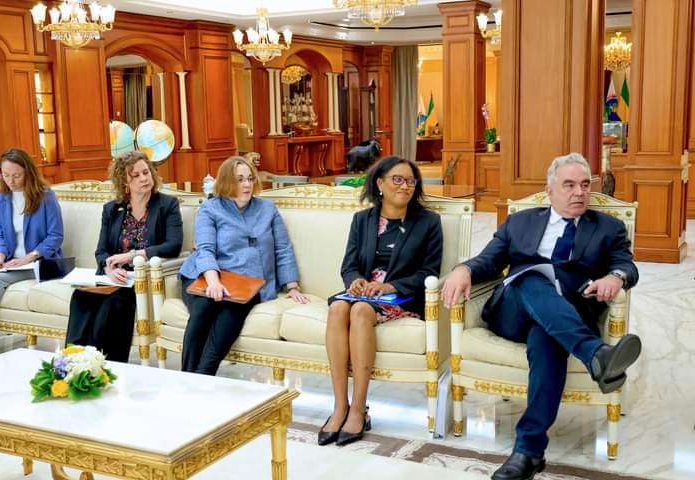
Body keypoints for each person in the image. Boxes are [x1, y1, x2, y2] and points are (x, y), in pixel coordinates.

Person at [441, 153, 641, 480]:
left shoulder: (609, 228)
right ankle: (595, 353)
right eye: (569, 185)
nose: (579, 192)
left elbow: (626, 264)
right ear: (550, 191)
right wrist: (463, 269)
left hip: (564, 317)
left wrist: (615, 277)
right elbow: (489, 260)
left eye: (585, 185)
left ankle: (528, 452)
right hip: (513, 313)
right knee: (531, 276)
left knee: (547, 339)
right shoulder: (519, 222)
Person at [319, 156, 443, 447]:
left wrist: (390, 285)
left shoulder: (428, 222)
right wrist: (355, 281)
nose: (405, 186)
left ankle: (359, 409)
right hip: (364, 292)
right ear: (380, 184)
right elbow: (349, 265)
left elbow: (429, 272)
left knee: (360, 311)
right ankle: (340, 406)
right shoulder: (362, 220)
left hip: (402, 296)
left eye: (410, 181)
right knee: (337, 308)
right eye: (397, 179)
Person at [179, 156, 309, 375]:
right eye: (240, 180)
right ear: (226, 182)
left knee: (231, 313)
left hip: (247, 283)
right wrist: (214, 282)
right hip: (205, 275)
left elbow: (283, 248)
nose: (247, 184)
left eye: (250, 178)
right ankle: (187, 377)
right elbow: (205, 249)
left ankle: (204, 376)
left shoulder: (267, 209)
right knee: (203, 309)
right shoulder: (210, 208)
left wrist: (292, 286)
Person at [65, 151, 183, 362]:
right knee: (81, 297)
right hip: (115, 278)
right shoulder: (112, 209)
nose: (144, 178)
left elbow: (173, 246)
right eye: (135, 175)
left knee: (112, 303)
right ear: (124, 182)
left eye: (146, 172)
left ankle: (106, 364)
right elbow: (101, 251)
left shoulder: (167, 205)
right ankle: (75, 363)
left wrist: (133, 256)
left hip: (143, 279)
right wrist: (109, 268)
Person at [0, 148, 63, 360]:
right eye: (6, 175)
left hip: (40, 263)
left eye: (16, 176)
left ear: (27, 172)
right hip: (10, 263)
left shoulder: (45, 196)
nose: (11, 181)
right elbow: (0, 236)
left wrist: (28, 257)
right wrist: (0, 256)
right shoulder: (1, 198)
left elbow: (56, 236)